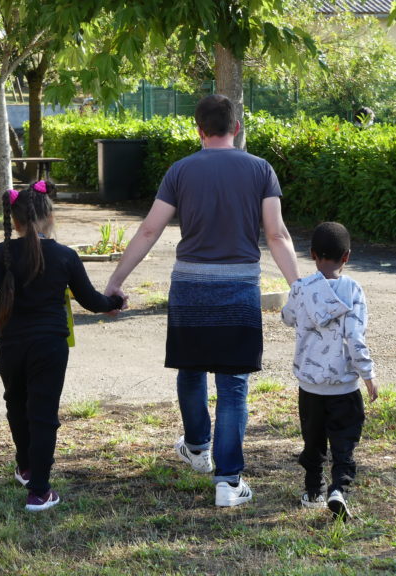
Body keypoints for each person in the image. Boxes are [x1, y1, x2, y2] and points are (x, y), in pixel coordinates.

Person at [105, 94, 301, 507]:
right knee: (233, 385)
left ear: (199, 130)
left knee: (191, 370)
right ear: (238, 127)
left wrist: (116, 281)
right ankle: (228, 482)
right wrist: (301, 288)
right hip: (239, 290)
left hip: (190, 288)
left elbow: (147, 232)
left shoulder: (180, 171)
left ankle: (197, 447)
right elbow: (278, 235)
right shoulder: (260, 170)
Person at [0, 181, 124, 512]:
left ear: (14, 221)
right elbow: (89, 299)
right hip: (49, 344)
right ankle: (39, 492)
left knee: (16, 402)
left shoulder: (2, 253)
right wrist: (113, 302)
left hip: (9, 342)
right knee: (43, 413)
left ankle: (26, 467)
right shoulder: (65, 256)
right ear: (49, 216)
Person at [281, 221, 377, 519]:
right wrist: (368, 376)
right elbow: (354, 338)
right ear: (346, 256)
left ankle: (313, 491)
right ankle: (339, 489)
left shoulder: (300, 288)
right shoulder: (352, 290)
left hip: (310, 388)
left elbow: (287, 318)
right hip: (345, 389)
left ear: (312, 254)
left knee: (313, 441)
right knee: (344, 443)